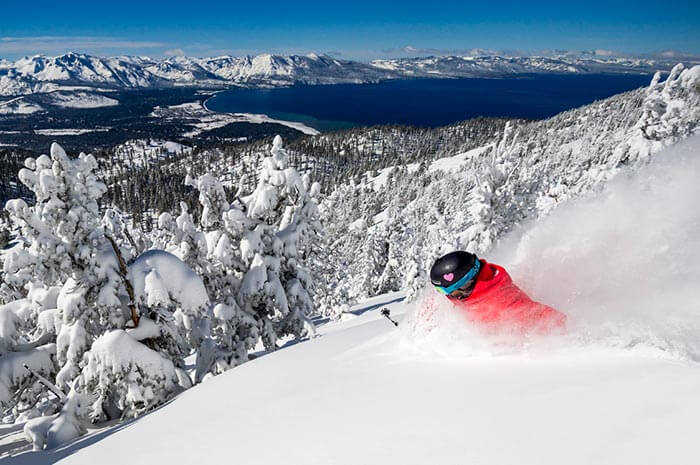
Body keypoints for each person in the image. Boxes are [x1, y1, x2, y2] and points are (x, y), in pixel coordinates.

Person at [430, 251, 566, 334]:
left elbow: (548, 318)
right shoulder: (470, 295)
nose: (445, 295)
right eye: (439, 290)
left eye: (445, 290)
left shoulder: (501, 304)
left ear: (465, 283)